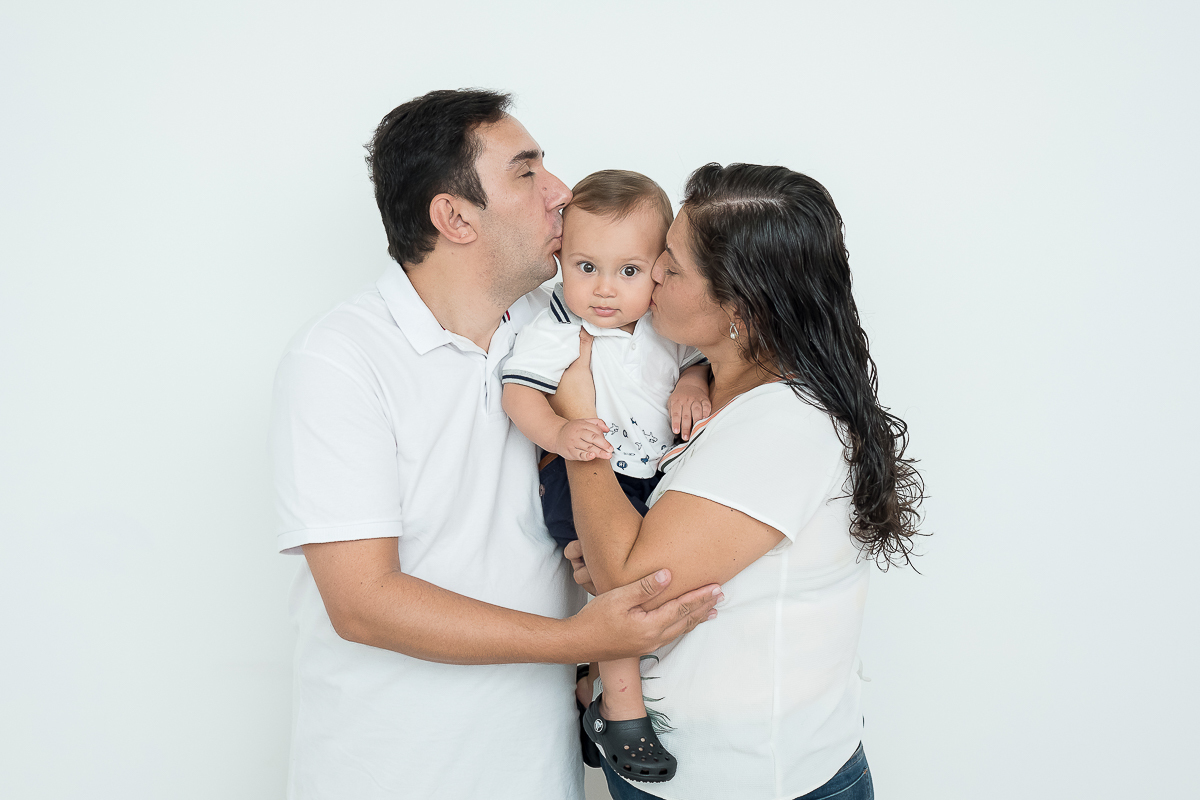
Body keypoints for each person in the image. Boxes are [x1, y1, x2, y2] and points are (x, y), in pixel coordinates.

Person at [269, 89, 722, 800]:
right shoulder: (340, 358)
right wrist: (586, 640)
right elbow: (362, 602)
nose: (561, 193)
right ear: (454, 217)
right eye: (527, 172)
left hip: (538, 769)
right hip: (388, 772)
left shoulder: (565, 320)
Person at [551, 163, 925, 799]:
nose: (652, 272)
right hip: (687, 771)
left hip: (752, 782)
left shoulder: (785, 425)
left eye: (672, 266)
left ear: (740, 310)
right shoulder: (701, 389)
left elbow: (631, 582)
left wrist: (577, 424)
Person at [501, 169, 712, 781]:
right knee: (622, 590)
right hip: (583, 479)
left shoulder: (663, 324)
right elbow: (519, 394)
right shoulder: (559, 327)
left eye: (629, 271)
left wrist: (692, 383)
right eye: (586, 266)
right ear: (561, 257)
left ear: (660, 270)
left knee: (659, 577)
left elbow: (697, 362)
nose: (603, 289)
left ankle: (589, 688)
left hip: (650, 477)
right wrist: (559, 434)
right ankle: (621, 711)